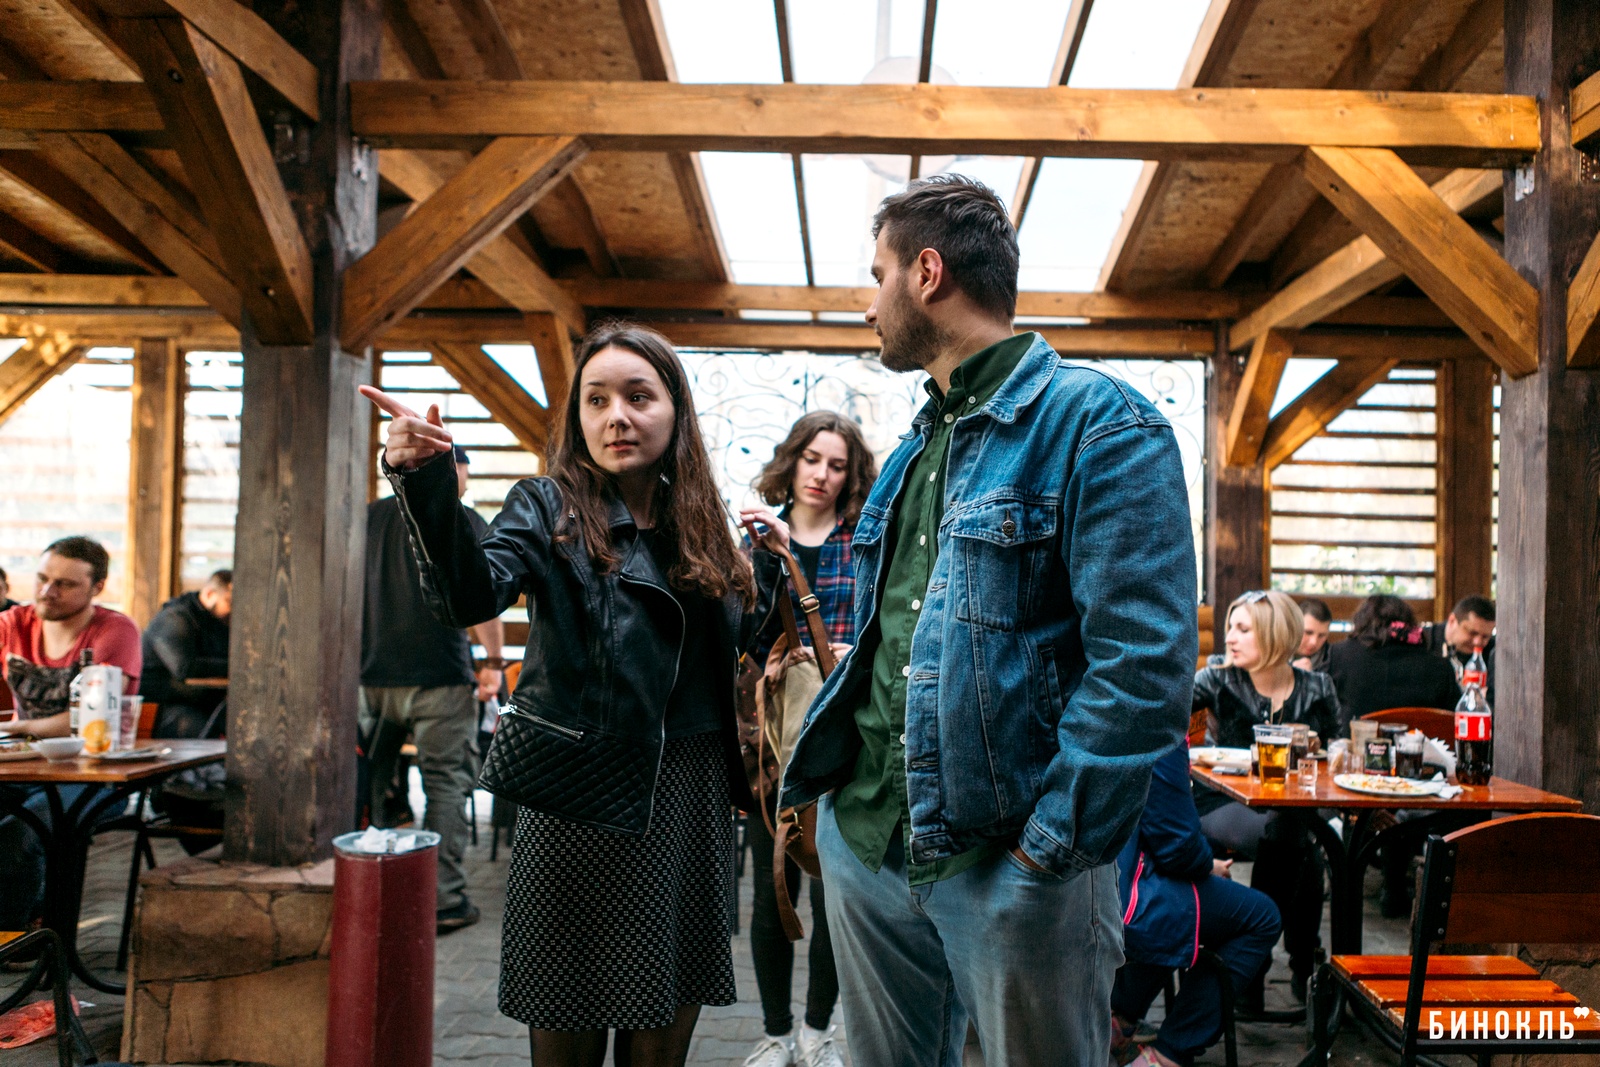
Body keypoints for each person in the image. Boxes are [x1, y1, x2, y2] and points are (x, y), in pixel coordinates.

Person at [778, 175, 1198, 1067]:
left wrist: (1047, 855)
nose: (868, 306)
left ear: (927, 273)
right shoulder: (913, 448)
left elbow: (1144, 670)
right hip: (868, 842)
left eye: (878, 276)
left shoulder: (1102, 424)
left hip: (1011, 868)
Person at [360, 322, 785, 1067]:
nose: (616, 415)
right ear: (578, 416)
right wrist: (424, 481)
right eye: (596, 399)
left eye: (638, 396)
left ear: (675, 410)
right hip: (577, 796)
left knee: (660, 1044)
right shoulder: (545, 505)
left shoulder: (703, 523)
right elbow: (469, 594)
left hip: (687, 797)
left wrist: (772, 571)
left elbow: (741, 652)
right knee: (567, 1034)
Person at [741, 412, 877, 1067]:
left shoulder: (864, 542)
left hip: (844, 740)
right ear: (792, 460)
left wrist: (850, 651)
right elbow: (740, 634)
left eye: (837, 464)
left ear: (851, 475)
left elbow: (883, 629)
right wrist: (768, 653)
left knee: (834, 896)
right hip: (773, 741)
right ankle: (775, 1033)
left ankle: (819, 1031)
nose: (822, 474)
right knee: (772, 892)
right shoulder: (757, 542)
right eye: (812, 458)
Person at [360, 445, 504, 934]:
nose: (463, 488)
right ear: (449, 471)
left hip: (370, 677)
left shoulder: (367, 519)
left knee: (369, 781)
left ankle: (369, 886)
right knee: (445, 783)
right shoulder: (461, 519)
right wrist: (493, 663)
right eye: (462, 476)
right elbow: (483, 597)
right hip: (439, 677)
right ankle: (442, 900)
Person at [1192, 590, 1340, 1003]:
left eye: (1243, 629)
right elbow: (1168, 726)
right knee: (1302, 842)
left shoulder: (1317, 686)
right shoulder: (1216, 678)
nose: (1229, 638)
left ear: (1275, 635)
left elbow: (1339, 749)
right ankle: (1302, 966)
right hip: (1221, 801)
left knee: (1297, 836)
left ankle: (1251, 970)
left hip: (1292, 807)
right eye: (1230, 628)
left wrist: (1327, 749)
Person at [0, 537, 142, 931]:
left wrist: (16, 726)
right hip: (23, 767)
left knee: (21, 832)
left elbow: (92, 718)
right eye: (42, 578)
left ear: (97, 588)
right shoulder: (12, 624)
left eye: (65, 584)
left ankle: (18, 942)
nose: (48, 591)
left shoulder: (114, 630)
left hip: (95, 773)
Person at [1111, 745, 1282, 1067]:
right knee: (1262, 917)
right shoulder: (1160, 723)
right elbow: (1176, 844)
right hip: (1130, 892)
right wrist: (1207, 865)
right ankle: (1168, 1053)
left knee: (1193, 904)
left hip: (1101, 874)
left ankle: (1118, 1021)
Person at [1328, 595, 1463, 917]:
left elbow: (1328, 715)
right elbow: (1454, 725)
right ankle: (1394, 886)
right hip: (1418, 778)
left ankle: (1347, 885)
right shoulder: (1439, 666)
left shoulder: (1339, 656)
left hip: (1357, 778)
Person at [1325, 595, 1460, 724]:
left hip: (1355, 739)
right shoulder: (1440, 667)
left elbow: (1321, 709)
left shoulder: (1338, 656)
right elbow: (1455, 718)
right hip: (1419, 740)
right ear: (1409, 623)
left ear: (1361, 622)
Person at [140, 569, 232, 739]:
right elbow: (185, 668)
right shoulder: (175, 618)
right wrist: (240, 665)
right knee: (202, 730)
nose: (234, 610)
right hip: (160, 706)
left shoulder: (219, 622)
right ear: (210, 594)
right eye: (229, 602)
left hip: (197, 701)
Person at [1420, 594, 1495, 704]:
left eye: (1485, 637)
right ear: (1452, 621)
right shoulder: (1423, 641)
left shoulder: (1494, 652)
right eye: (1472, 633)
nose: (1478, 642)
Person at [1292, 597, 1332, 673]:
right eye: (1308, 632)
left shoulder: (1334, 663)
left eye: (1321, 635)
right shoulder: (1272, 658)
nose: (1314, 642)